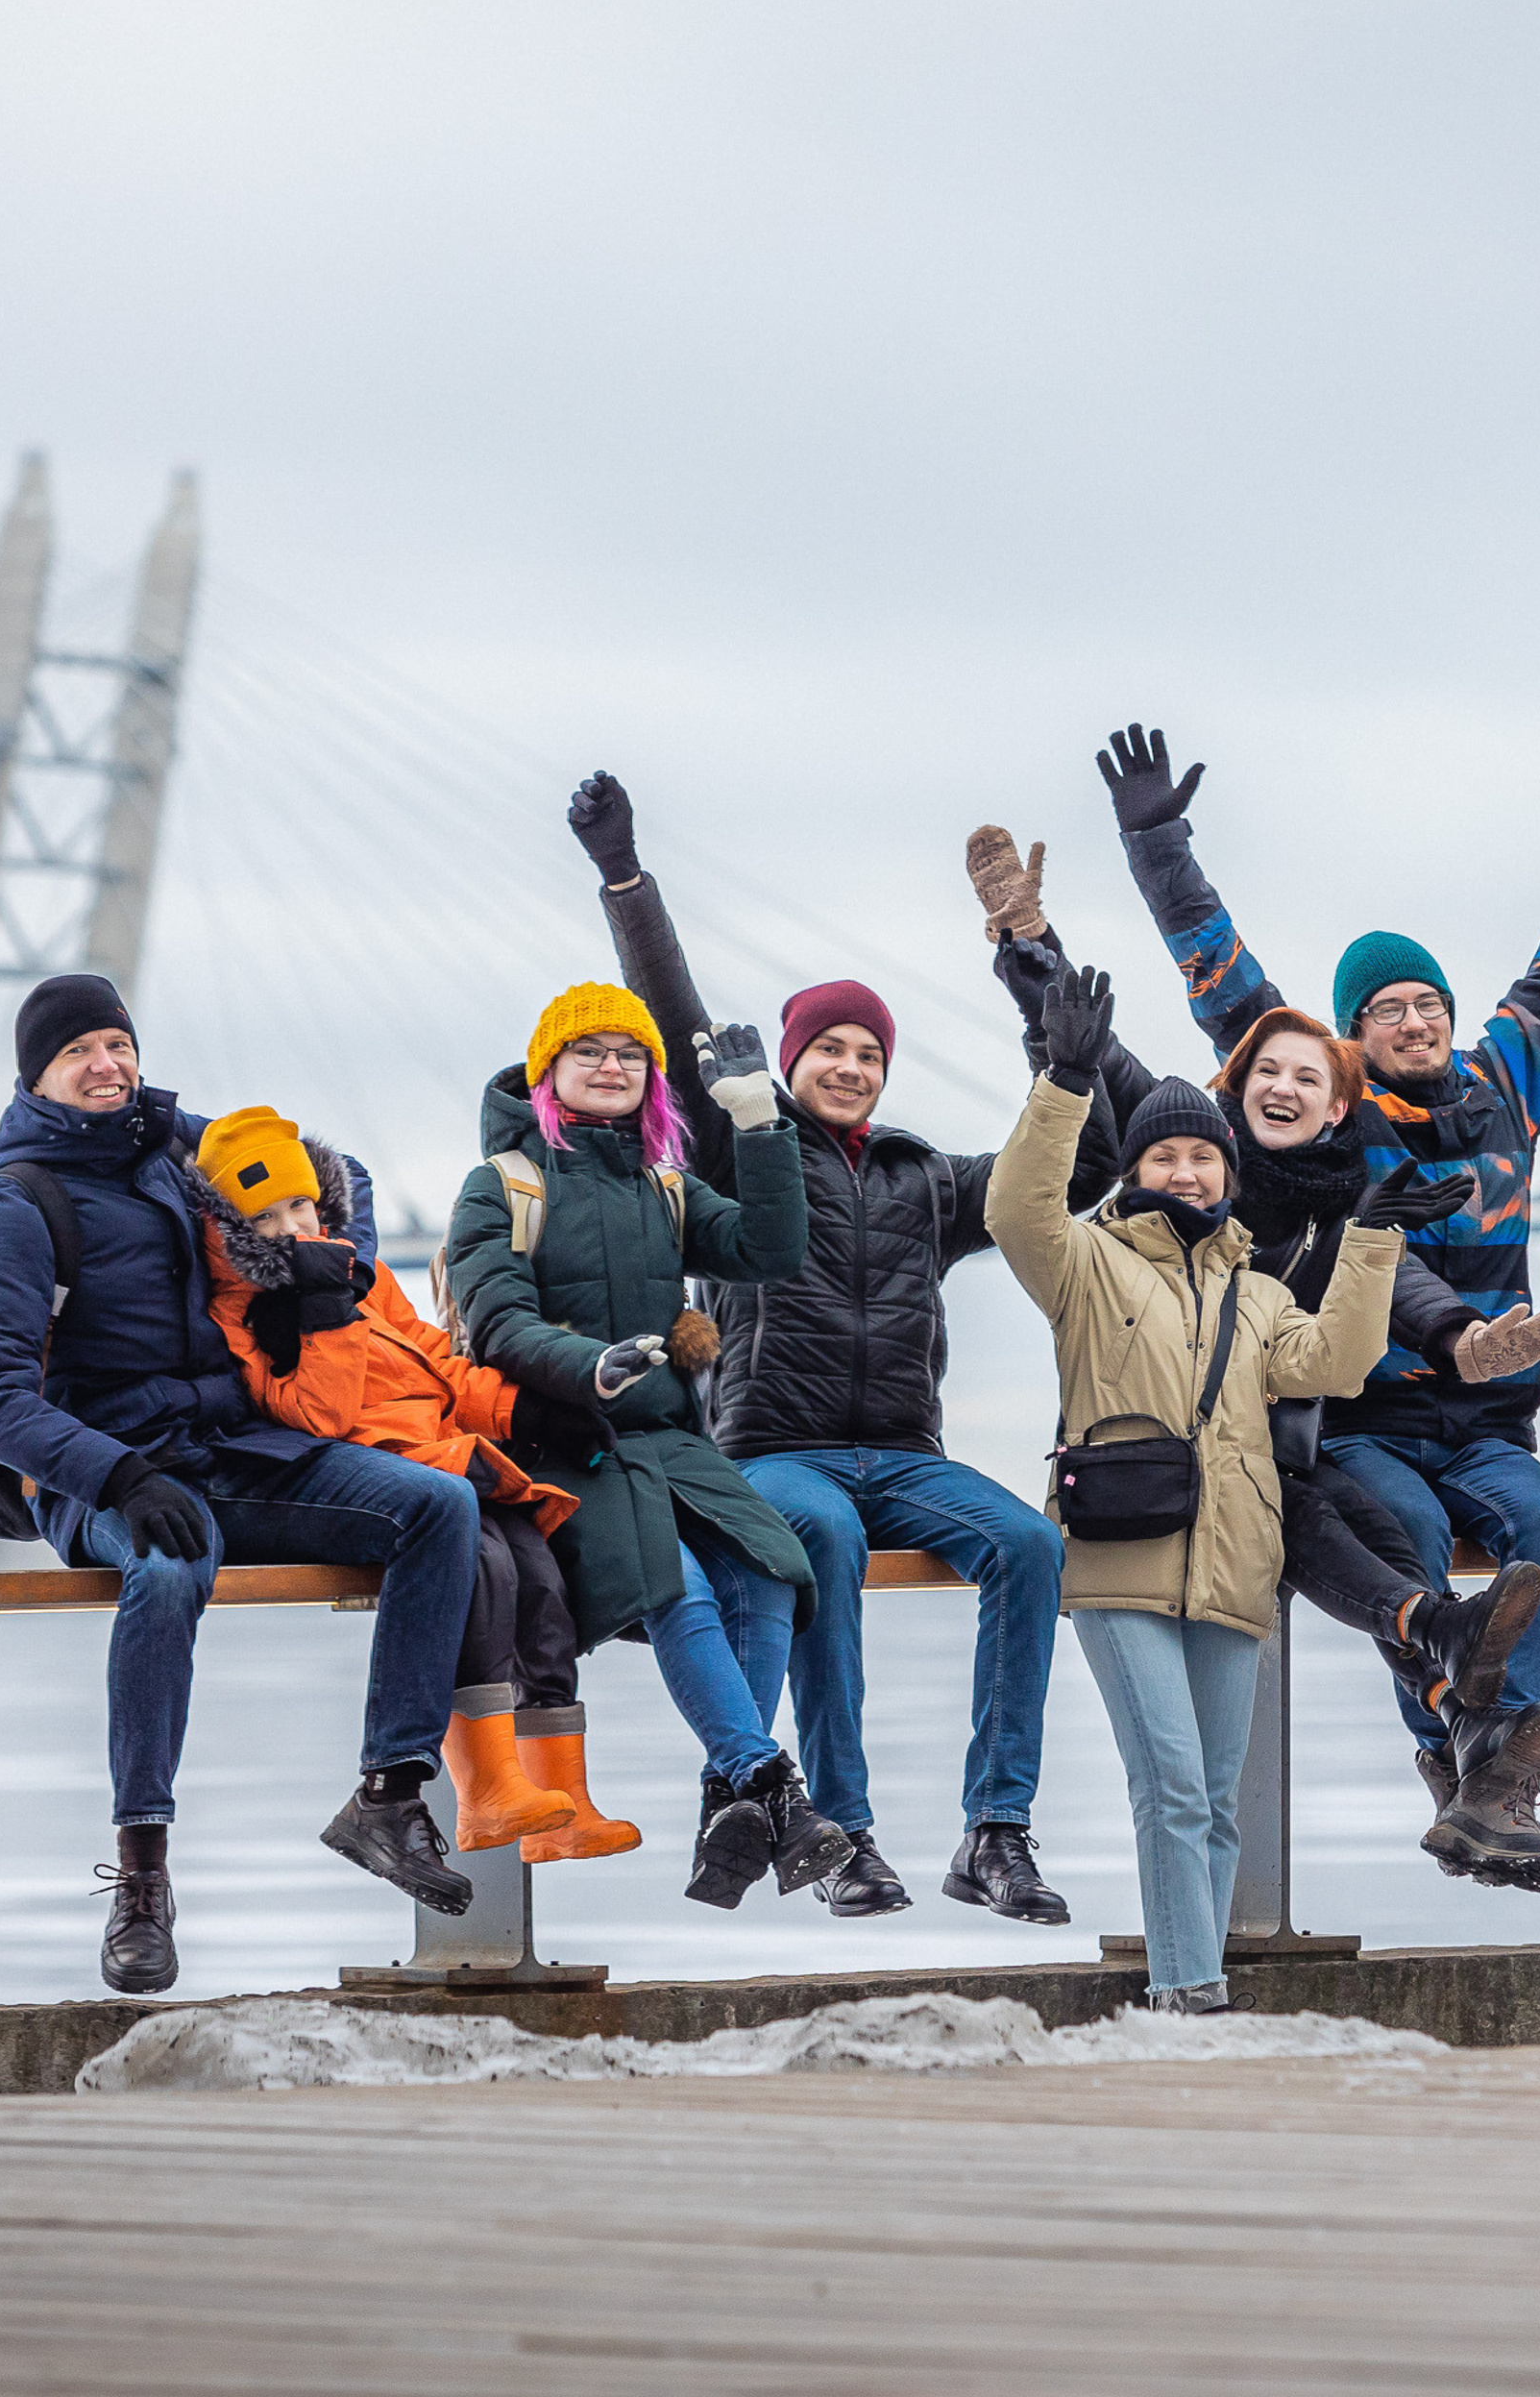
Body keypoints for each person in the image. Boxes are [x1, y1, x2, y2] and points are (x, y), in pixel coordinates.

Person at [1088, 720, 1540, 1874]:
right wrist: (1158, 840)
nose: (1413, 1021)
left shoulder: (1508, 1071)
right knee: (1402, 1537)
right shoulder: (1329, 1100)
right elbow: (1218, 973)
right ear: (1353, 1037)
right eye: (1387, 1011)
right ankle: (1461, 1749)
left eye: (1426, 1003)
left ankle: (1503, 1774)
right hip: (1373, 1419)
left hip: (1493, 1422)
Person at [971, 833, 1540, 1887]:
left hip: (1288, 1447)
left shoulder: (1348, 1194)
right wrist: (1031, 945)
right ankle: (1455, 1711)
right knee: (1365, 1522)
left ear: (1337, 1101)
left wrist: (1467, 1341)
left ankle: (1475, 1757)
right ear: (1235, 1085)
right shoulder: (1202, 1162)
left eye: (1310, 1076)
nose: (1287, 1088)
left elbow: (1386, 1287)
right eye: (1269, 1071)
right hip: (1188, 1471)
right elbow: (1093, 1054)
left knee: (1397, 1521)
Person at [572, 773, 1116, 1925]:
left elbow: (1078, 1163)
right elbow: (670, 1014)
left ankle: (996, 1829)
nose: (852, 1065)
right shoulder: (737, 1144)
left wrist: (1047, 1017)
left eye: (869, 1051)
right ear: (793, 1057)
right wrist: (626, 875)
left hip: (905, 1455)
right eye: (831, 1048)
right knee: (812, 1536)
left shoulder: (931, 1180)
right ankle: (848, 1832)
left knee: (1027, 1542)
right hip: (775, 1450)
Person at [0, 975, 481, 1995]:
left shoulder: (175, 1144)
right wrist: (116, 1473)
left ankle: (388, 1793)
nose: (107, 1065)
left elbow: (335, 1168)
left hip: (231, 1446)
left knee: (437, 1505)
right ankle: (141, 1881)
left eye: (117, 1042)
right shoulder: (15, 1204)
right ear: (38, 1079)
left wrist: (329, 1267)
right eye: (78, 1053)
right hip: (103, 1469)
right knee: (167, 1572)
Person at [986, 966, 1399, 2011]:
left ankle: (1191, 1986)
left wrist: (1372, 1239)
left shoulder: (1258, 1290)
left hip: (1233, 1566)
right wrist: (1066, 1078)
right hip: (1120, 1561)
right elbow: (1013, 1208)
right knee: (1169, 1785)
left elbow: (1338, 1363)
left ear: (1225, 1171)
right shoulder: (1083, 1263)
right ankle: (1189, 1992)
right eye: (1165, 1152)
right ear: (1133, 1170)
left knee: (1214, 1801)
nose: (1187, 1167)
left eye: (1203, 1153)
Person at [445, 983, 851, 1913]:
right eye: (586, 1052)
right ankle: (763, 1779)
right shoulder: (506, 1183)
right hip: (567, 1443)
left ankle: (734, 1795)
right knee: (677, 1585)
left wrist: (758, 1122)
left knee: (771, 1569)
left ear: (650, 1080)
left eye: (628, 1054)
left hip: (668, 1440)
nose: (610, 1066)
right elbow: (499, 1321)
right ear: (547, 1073)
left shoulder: (665, 1184)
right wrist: (595, 1365)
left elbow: (769, 1249)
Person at [189, 1106, 638, 1862]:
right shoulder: (242, 1312)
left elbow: (434, 1361)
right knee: (487, 1576)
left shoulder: (361, 1279)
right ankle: (488, 1793)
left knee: (540, 1580)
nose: (293, 1227)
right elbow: (319, 1418)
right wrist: (322, 1310)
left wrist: (526, 1409)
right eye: (265, 1218)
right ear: (235, 1230)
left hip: (451, 1452)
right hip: (395, 1472)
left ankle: (564, 1804)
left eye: (301, 1204)